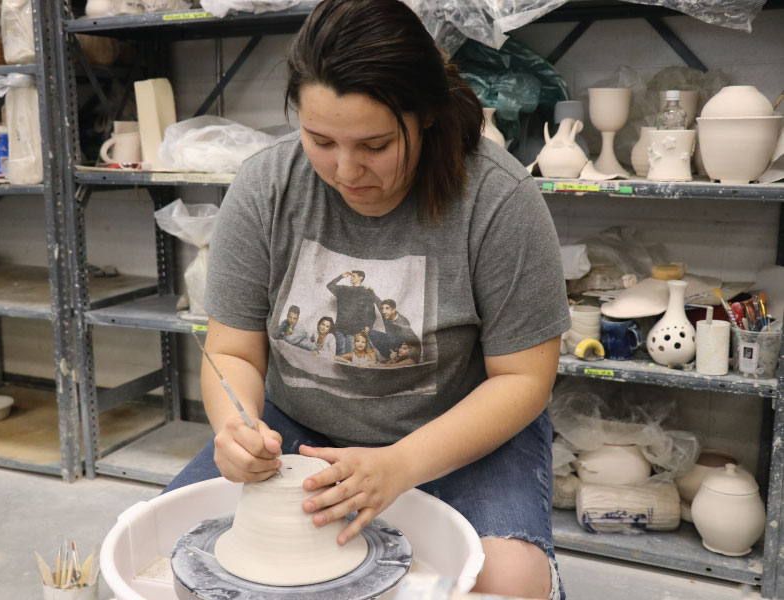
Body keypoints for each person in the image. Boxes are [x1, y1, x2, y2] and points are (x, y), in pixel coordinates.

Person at [164, 1, 570, 598]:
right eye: (320, 140)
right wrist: (237, 427)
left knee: (506, 581)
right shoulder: (266, 186)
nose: (346, 170)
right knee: (174, 557)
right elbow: (233, 352)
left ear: (425, 116)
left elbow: (523, 379)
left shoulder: (497, 198)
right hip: (299, 427)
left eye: (375, 145)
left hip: (460, 434)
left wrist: (400, 465)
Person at [327, 270, 378, 355]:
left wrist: (369, 325)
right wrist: (341, 276)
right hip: (340, 326)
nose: (350, 278)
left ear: (360, 278)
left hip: (355, 329)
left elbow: (371, 310)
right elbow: (330, 286)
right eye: (351, 276)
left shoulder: (366, 292)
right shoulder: (344, 289)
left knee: (350, 354)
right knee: (339, 354)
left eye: (353, 276)